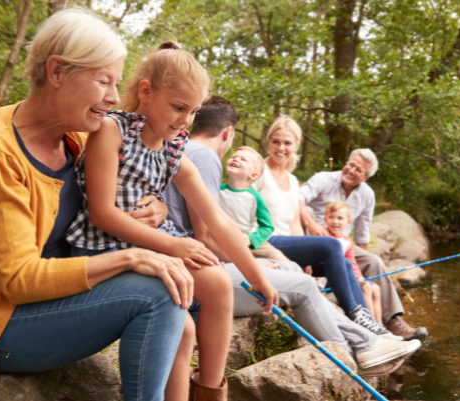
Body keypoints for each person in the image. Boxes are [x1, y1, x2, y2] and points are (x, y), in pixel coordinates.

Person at [0, 10, 193, 401]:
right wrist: (130, 257)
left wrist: (157, 207)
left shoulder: (77, 138)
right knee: (155, 296)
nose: (114, 97)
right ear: (56, 72)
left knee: (179, 310)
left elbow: (126, 187)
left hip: (47, 303)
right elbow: (17, 279)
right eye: (103, 81)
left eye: (116, 83)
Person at [66, 41, 278, 400]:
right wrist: (174, 244)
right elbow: (102, 213)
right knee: (183, 327)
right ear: (146, 92)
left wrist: (258, 278)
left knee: (216, 285)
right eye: (178, 108)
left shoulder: (172, 149)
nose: (185, 121)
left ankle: (210, 389)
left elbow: (218, 220)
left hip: (150, 243)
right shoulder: (112, 132)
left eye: (193, 112)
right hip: (106, 246)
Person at [163, 96, 420, 377]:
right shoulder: (206, 158)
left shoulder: (181, 150)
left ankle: (368, 334)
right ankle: (356, 350)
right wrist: (255, 267)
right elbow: (207, 237)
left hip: (209, 263)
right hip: (204, 276)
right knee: (305, 284)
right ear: (228, 133)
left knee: (294, 268)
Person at [254, 117, 389, 336]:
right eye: (276, 141)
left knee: (344, 265)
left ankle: (366, 322)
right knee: (332, 246)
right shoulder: (258, 171)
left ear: (296, 146)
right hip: (265, 241)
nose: (281, 148)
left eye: (287, 143)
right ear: (268, 141)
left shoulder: (290, 179)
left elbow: (294, 221)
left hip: (286, 243)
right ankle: (354, 312)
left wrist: (303, 256)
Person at [299, 149, 428, 341]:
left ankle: (394, 322)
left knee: (373, 261)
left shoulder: (367, 195)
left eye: (358, 170)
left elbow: (362, 233)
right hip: (315, 238)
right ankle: (369, 323)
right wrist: (311, 224)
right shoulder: (323, 179)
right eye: (350, 164)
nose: (351, 170)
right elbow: (296, 199)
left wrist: (358, 273)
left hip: (342, 243)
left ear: (366, 177)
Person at [218, 146, 289, 261]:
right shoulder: (217, 191)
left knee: (285, 262)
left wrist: (250, 239)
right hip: (223, 242)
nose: (235, 159)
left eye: (243, 159)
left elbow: (267, 227)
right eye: (234, 157)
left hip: (251, 242)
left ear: (253, 175)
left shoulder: (256, 197)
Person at [325, 201, 382, 321]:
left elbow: (352, 263)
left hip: (348, 275)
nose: (335, 221)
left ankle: (379, 324)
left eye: (340, 218)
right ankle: (370, 322)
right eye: (331, 217)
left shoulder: (347, 241)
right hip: (332, 278)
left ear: (348, 222)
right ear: (325, 219)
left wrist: (359, 277)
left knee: (375, 288)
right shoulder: (323, 236)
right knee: (366, 287)